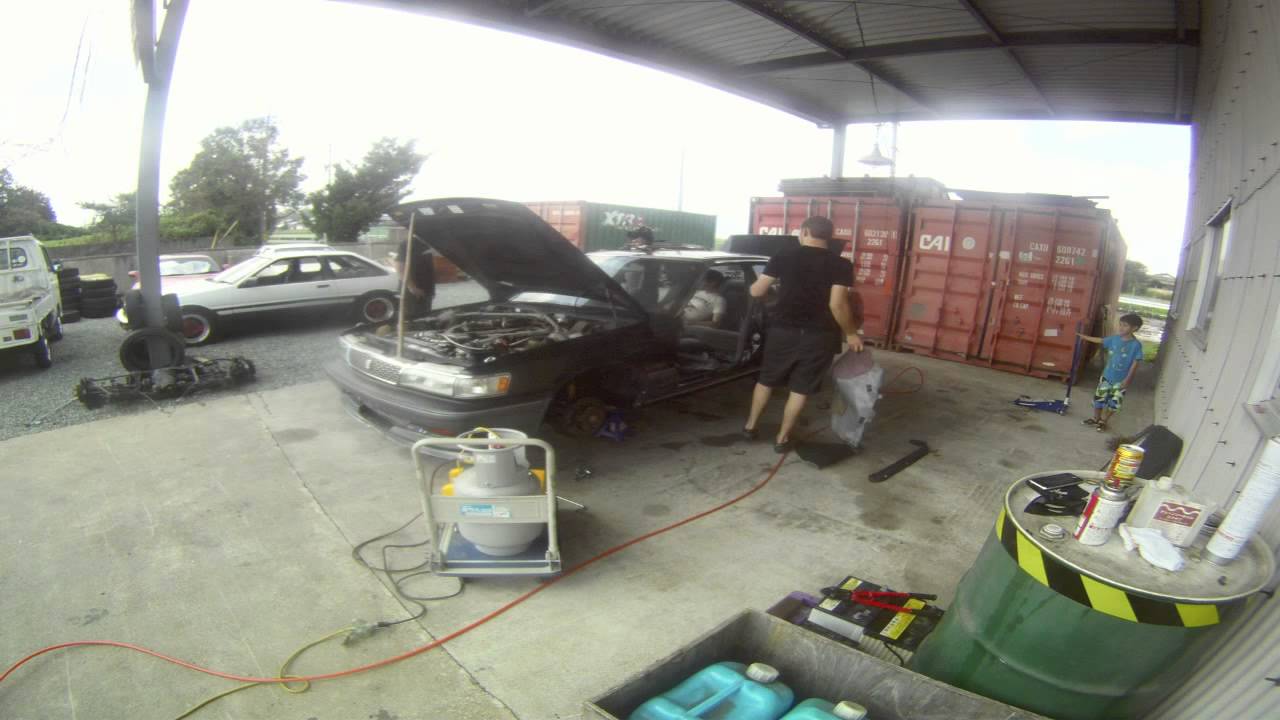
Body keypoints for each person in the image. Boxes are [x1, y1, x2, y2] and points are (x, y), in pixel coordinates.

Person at [743, 216, 861, 453]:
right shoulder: (841, 264)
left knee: (766, 380)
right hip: (820, 335)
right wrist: (851, 333)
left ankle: (750, 427)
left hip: (782, 331)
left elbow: (757, 291)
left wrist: (765, 287)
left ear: (805, 231)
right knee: (800, 387)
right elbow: (837, 305)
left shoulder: (783, 256)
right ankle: (782, 438)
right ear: (829, 235)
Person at [1078, 313, 1145, 433]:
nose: (1121, 327)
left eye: (1125, 325)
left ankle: (1103, 421)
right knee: (1099, 399)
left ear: (1134, 328)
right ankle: (1095, 418)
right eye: (1120, 324)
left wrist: (1127, 380)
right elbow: (1100, 340)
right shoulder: (1114, 339)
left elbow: (1135, 363)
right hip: (1107, 377)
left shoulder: (1136, 345)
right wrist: (1083, 337)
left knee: (1114, 402)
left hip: (1121, 381)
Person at [390, 233, 436, 319]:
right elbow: (399, 267)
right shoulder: (407, 243)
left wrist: (431, 290)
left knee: (425, 317)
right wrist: (412, 287)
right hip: (412, 291)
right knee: (411, 318)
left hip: (426, 290)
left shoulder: (427, 243)